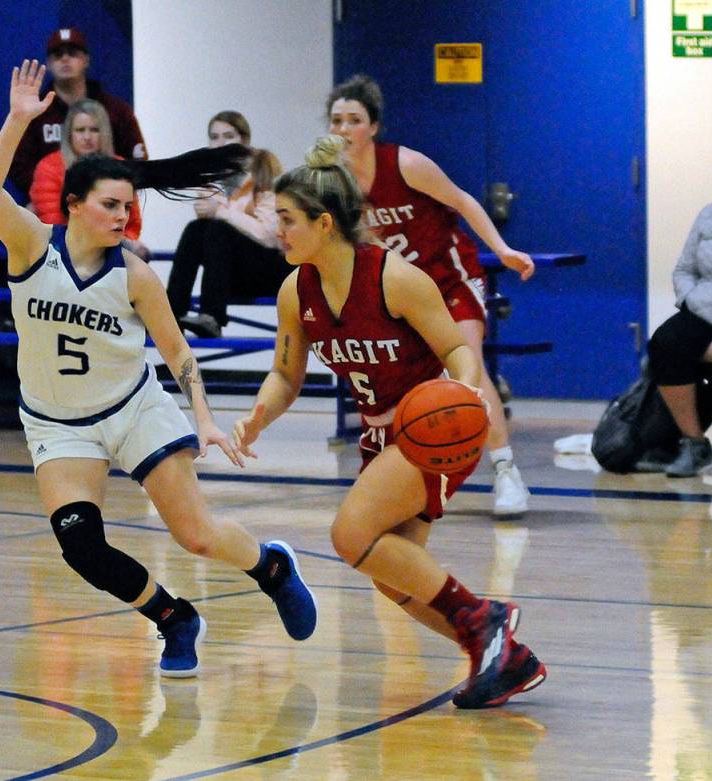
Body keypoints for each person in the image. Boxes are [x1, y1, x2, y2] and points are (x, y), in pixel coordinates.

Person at [0, 59, 317, 677]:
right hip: (59, 425)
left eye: (128, 207)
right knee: (82, 548)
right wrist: (18, 121)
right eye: (110, 205)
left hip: (134, 410)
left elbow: (178, 352)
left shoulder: (134, 275)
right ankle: (174, 618)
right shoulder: (30, 245)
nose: (122, 217)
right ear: (74, 206)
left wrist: (204, 417)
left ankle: (271, 566)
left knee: (198, 536)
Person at [232, 136, 546, 708]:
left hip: (433, 427)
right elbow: (286, 375)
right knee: (390, 574)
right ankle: (501, 654)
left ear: (325, 223)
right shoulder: (293, 291)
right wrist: (259, 415)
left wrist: (464, 398)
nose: (278, 230)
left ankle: (486, 617)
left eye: (287, 219)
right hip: (381, 436)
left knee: (349, 535)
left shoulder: (395, 278)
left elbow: (457, 350)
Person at [327, 74, 535, 518]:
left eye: (354, 120)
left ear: (374, 127)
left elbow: (462, 201)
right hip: (402, 293)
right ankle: (406, 479)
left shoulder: (406, 164)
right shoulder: (335, 183)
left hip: (449, 277)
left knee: (469, 366)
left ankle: (505, 470)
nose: (343, 129)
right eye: (336, 120)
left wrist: (502, 249)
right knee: (403, 383)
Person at [167, 111, 289, 339]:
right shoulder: (212, 179)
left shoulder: (264, 170)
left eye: (228, 136)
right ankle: (171, 314)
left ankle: (212, 317)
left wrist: (220, 212)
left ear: (244, 141)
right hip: (233, 273)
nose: (220, 143)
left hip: (271, 269)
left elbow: (270, 236)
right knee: (196, 229)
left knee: (217, 228)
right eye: (214, 137)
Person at [647, 146, 712, 477]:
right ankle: (695, 443)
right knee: (666, 343)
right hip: (705, 307)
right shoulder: (709, 215)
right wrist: (689, 300)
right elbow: (683, 269)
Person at [8, 27, 147, 196]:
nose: (65, 59)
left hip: (108, 202)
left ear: (86, 60)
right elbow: (17, 165)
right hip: (48, 201)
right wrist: (46, 194)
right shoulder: (35, 111)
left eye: (73, 53)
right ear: (49, 64)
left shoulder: (116, 110)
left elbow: (137, 161)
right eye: (58, 54)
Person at [29, 98, 149, 260]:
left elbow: (132, 224)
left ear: (104, 133)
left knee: (139, 252)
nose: (87, 136)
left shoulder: (121, 167)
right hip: (64, 248)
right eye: (80, 130)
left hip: (112, 246)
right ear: (69, 134)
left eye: (94, 129)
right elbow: (54, 224)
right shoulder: (49, 167)